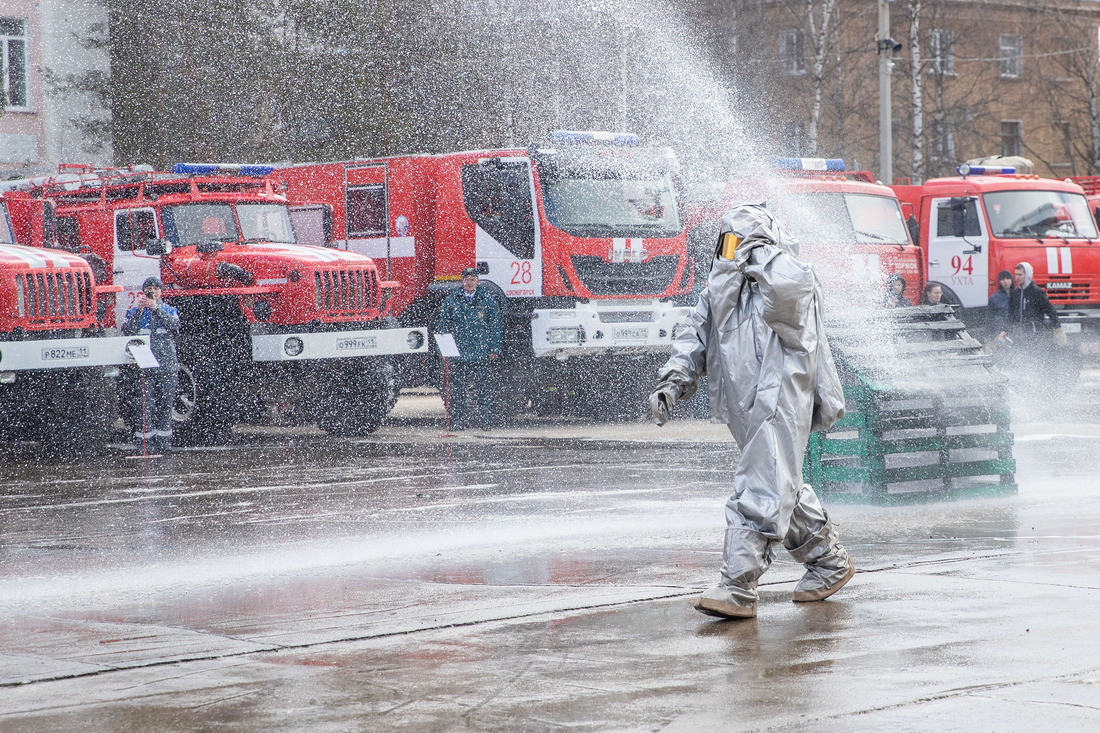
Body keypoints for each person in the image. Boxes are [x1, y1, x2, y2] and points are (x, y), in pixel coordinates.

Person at [649, 203, 854, 619]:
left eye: (739, 242)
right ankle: (828, 562)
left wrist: (762, 253)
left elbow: (788, 297)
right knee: (782, 483)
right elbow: (692, 336)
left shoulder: (787, 280)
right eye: (727, 242)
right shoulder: (717, 291)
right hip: (744, 407)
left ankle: (737, 585)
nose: (732, 251)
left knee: (762, 485)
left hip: (781, 399)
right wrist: (672, 381)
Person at [436, 267, 503, 430]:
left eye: (472, 279)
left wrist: (494, 348)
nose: (469, 283)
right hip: (458, 354)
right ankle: (458, 422)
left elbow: (495, 326)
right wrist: (442, 348)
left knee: (483, 390)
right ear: (462, 281)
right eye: (466, 280)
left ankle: (485, 422)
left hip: (480, 353)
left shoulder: (487, 301)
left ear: (477, 282)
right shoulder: (452, 300)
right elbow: (443, 325)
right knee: (457, 391)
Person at [122, 276, 180, 452]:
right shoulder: (134, 311)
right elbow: (127, 331)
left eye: (156, 288)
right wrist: (140, 311)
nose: (152, 291)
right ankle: (145, 444)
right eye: (149, 288)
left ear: (160, 292)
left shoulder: (169, 310)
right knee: (145, 406)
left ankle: (164, 443)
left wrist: (157, 309)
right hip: (144, 368)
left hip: (167, 367)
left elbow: (174, 327)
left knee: (165, 405)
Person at [986, 270, 1015, 344]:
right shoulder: (994, 298)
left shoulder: (1019, 296)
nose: (1005, 281)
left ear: (1012, 280)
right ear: (999, 282)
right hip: (998, 332)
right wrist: (988, 338)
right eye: (1002, 279)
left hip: (1015, 332)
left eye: (1008, 278)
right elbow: (989, 318)